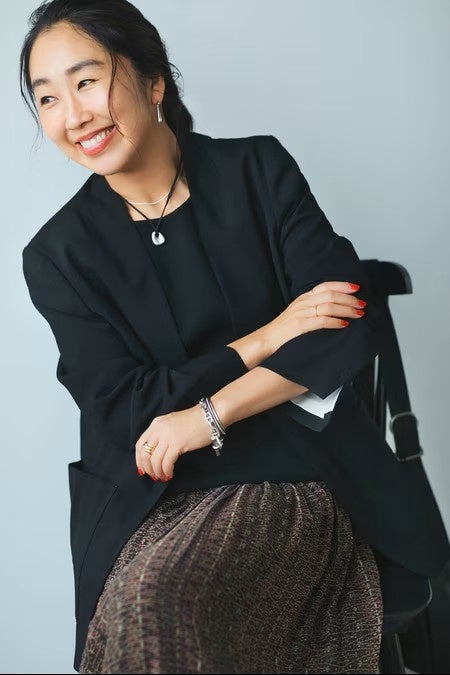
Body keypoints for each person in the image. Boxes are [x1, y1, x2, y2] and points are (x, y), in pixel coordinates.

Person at [20, 1, 449, 673]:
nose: (72, 114)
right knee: (146, 614)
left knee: (167, 611)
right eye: (47, 97)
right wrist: (268, 336)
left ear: (153, 81)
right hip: (153, 501)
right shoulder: (56, 256)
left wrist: (206, 415)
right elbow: (126, 408)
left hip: (297, 476)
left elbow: (342, 325)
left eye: (86, 81)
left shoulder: (256, 170)